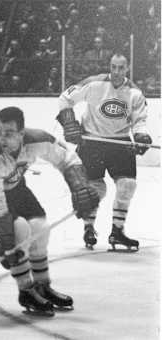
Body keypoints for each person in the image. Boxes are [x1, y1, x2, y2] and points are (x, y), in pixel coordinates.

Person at [0, 106, 99, 315]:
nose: (1, 139)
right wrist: (7, 240)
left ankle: (42, 286)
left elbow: (67, 158)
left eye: (9, 133)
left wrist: (79, 185)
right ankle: (26, 290)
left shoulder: (38, 140)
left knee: (40, 227)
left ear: (22, 134)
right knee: (19, 231)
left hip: (12, 184)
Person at [56, 53, 151, 251]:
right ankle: (89, 228)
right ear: (110, 66)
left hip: (120, 143)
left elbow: (139, 121)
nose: (116, 72)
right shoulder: (94, 84)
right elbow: (65, 98)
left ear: (127, 68)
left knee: (127, 185)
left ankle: (117, 231)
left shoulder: (135, 93)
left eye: (121, 68)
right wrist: (69, 122)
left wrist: (141, 137)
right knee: (95, 189)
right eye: (113, 67)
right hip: (92, 143)